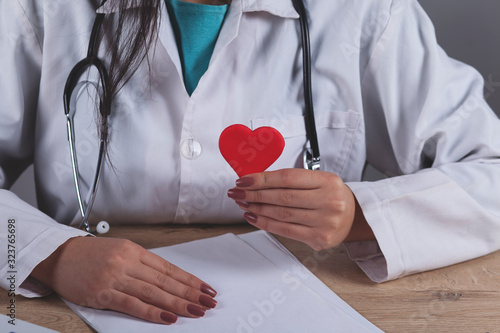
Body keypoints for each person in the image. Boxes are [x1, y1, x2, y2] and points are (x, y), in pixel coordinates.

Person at [1, 0, 500, 326]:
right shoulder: (38, 11)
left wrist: (361, 215)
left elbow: (492, 169)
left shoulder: (366, 11)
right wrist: (51, 254)